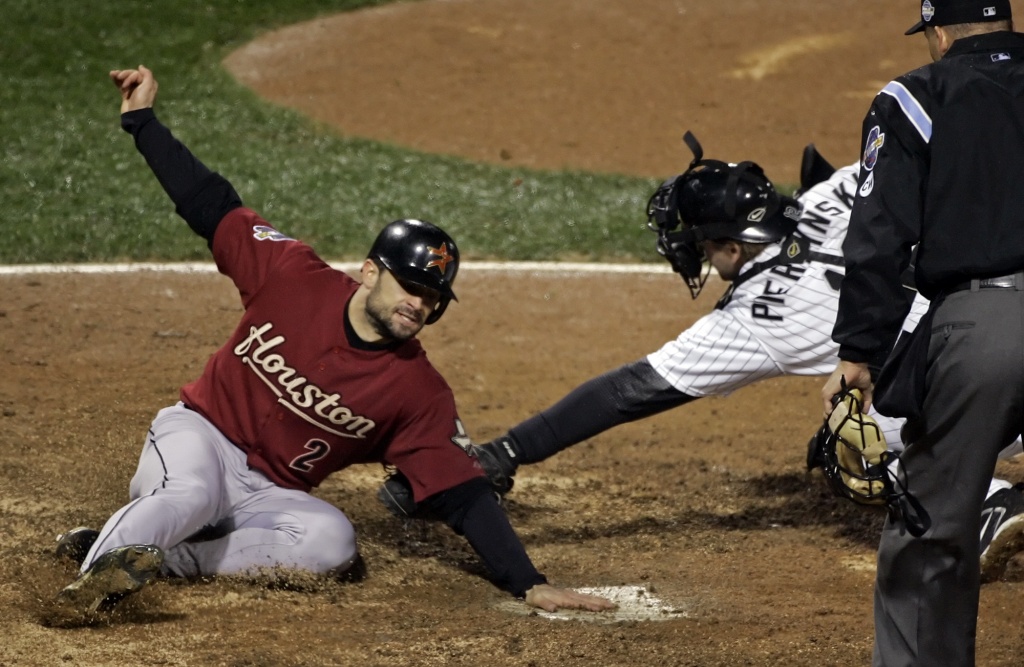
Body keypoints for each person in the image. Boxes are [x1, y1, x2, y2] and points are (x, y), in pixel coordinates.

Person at [53, 64, 615, 616]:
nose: (418, 304)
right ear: (370, 272)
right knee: (191, 494)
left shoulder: (416, 390)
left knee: (332, 541)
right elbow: (212, 206)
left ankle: (155, 557)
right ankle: (88, 587)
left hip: (267, 493)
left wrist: (528, 582)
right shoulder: (291, 275)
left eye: (432, 296)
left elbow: (461, 492)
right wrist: (144, 122)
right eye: (410, 286)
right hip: (197, 438)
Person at [381, 131, 1024, 582]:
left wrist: (507, 451)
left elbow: (628, 391)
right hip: (1002, 327)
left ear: (730, 247)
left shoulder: (752, 321)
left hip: (972, 392)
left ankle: (989, 501)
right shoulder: (839, 190)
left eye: (699, 245)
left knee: (855, 424)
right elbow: (892, 171)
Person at [822, 1, 1024, 664]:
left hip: (987, 329)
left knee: (928, 533)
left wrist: (859, 351)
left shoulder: (915, 94)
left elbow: (880, 234)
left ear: (939, 33)